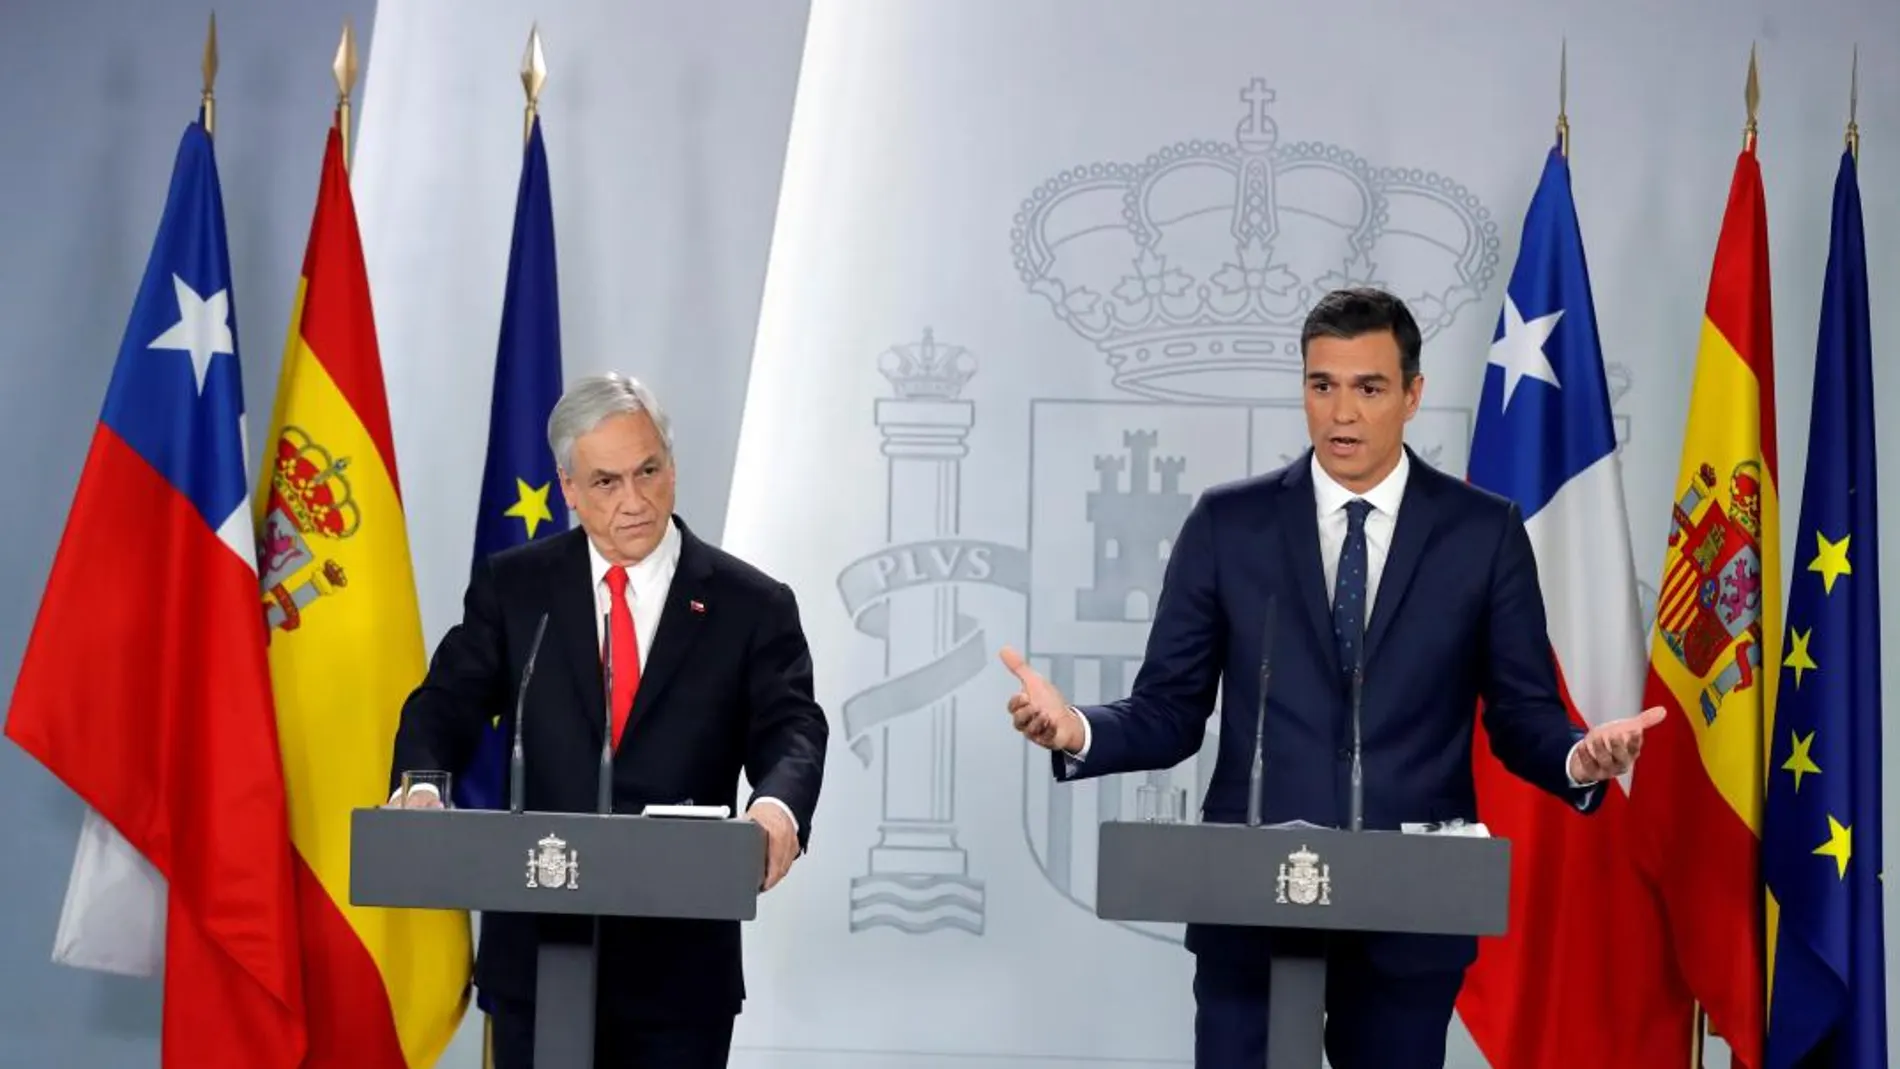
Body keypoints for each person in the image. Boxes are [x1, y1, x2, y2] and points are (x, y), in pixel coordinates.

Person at [998, 288, 1664, 1069]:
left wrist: (1577, 755)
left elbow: (1522, 714)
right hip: (1247, 905)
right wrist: (1076, 727)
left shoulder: (1482, 533)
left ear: (1412, 395)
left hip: (1411, 912)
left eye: (1369, 387)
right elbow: (1171, 709)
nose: (1342, 412)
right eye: (1323, 385)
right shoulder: (1229, 524)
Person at [388, 373, 828, 1069]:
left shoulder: (751, 604)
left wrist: (776, 807)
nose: (634, 500)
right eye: (606, 482)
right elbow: (445, 701)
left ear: (671, 465)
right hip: (536, 958)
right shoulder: (516, 588)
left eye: (648, 471)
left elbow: (793, 726)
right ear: (567, 488)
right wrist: (419, 785)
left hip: (679, 975)